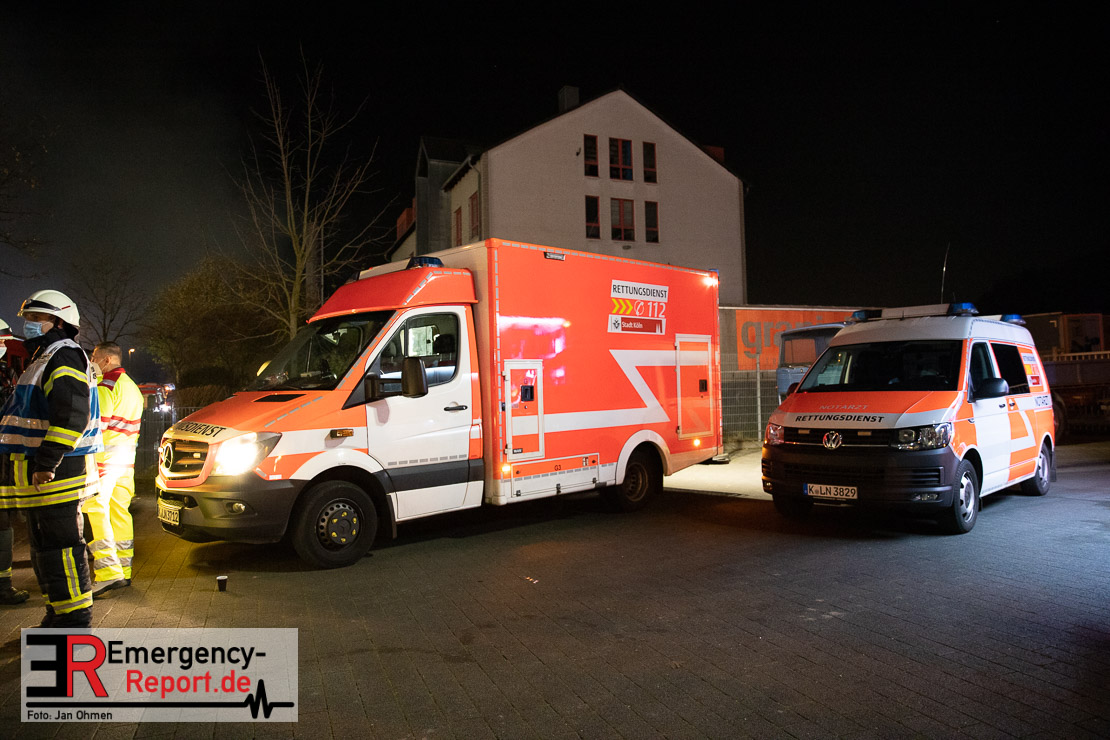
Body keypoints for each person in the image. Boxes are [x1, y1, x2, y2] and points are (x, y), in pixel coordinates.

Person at [0, 291, 102, 627]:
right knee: (45, 548)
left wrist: (46, 463)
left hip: (57, 473)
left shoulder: (64, 354)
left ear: (58, 321)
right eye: (27, 318)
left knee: (61, 548)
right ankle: (57, 615)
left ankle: (75, 622)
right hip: (43, 475)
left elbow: (72, 415)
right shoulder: (44, 357)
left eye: (35, 318)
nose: (28, 325)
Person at [84, 342, 143, 596]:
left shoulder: (106, 385)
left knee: (96, 508)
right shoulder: (132, 387)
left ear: (106, 359)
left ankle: (108, 573)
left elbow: (97, 426)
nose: (91, 362)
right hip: (126, 459)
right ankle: (124, 570)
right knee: (120, 511)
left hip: (105, 458)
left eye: (94, 357)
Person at [0, 319, 30, 605]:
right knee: (2, 521)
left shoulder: (7, 373)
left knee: (4, 520)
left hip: (5, 458)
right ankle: (2, 585)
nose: (4, 346)